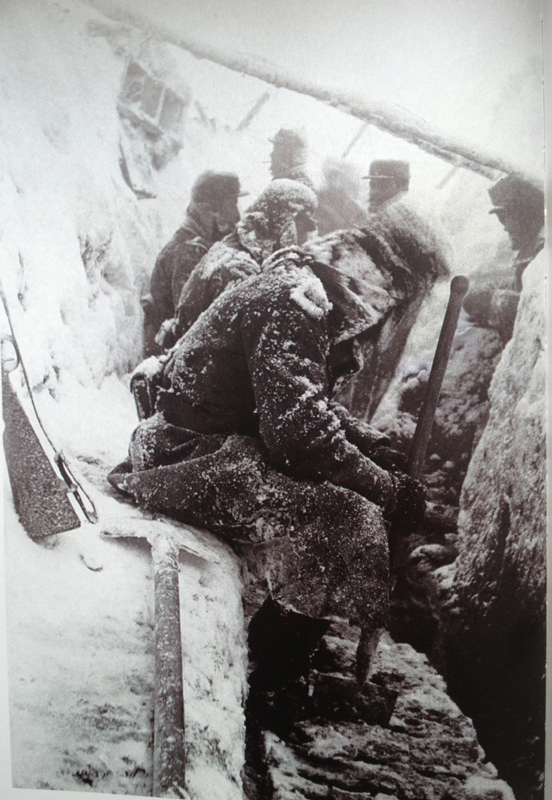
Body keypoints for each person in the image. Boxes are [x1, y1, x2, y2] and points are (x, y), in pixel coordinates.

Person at [109, 209, 448, 724]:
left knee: (350, 501)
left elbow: (301, 401)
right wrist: (384, 489)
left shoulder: (301, 290)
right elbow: (298, 436)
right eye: (397, 297)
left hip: (214, 443)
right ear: (377, 276)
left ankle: (289, 637)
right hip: (185, 454)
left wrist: (370, 445)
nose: (391, 313)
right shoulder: (293, 305)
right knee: (348, 520)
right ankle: (272, 677)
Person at [174, 179, 318, 338]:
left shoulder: (267, 256)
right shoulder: (232, 261)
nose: (311, 227)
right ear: (282, 218)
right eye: (302, 218)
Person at [142, 171, 247, 356]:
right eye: (232, 204)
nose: (237, 215)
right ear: (212, 210)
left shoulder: (199, 246)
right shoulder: (188, 253)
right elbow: (189, 325)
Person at [316, 158, 370, 235]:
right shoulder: (317, 200)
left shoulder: (357, 210)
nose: (335, 182)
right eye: (331, 177)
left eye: (339, 177)